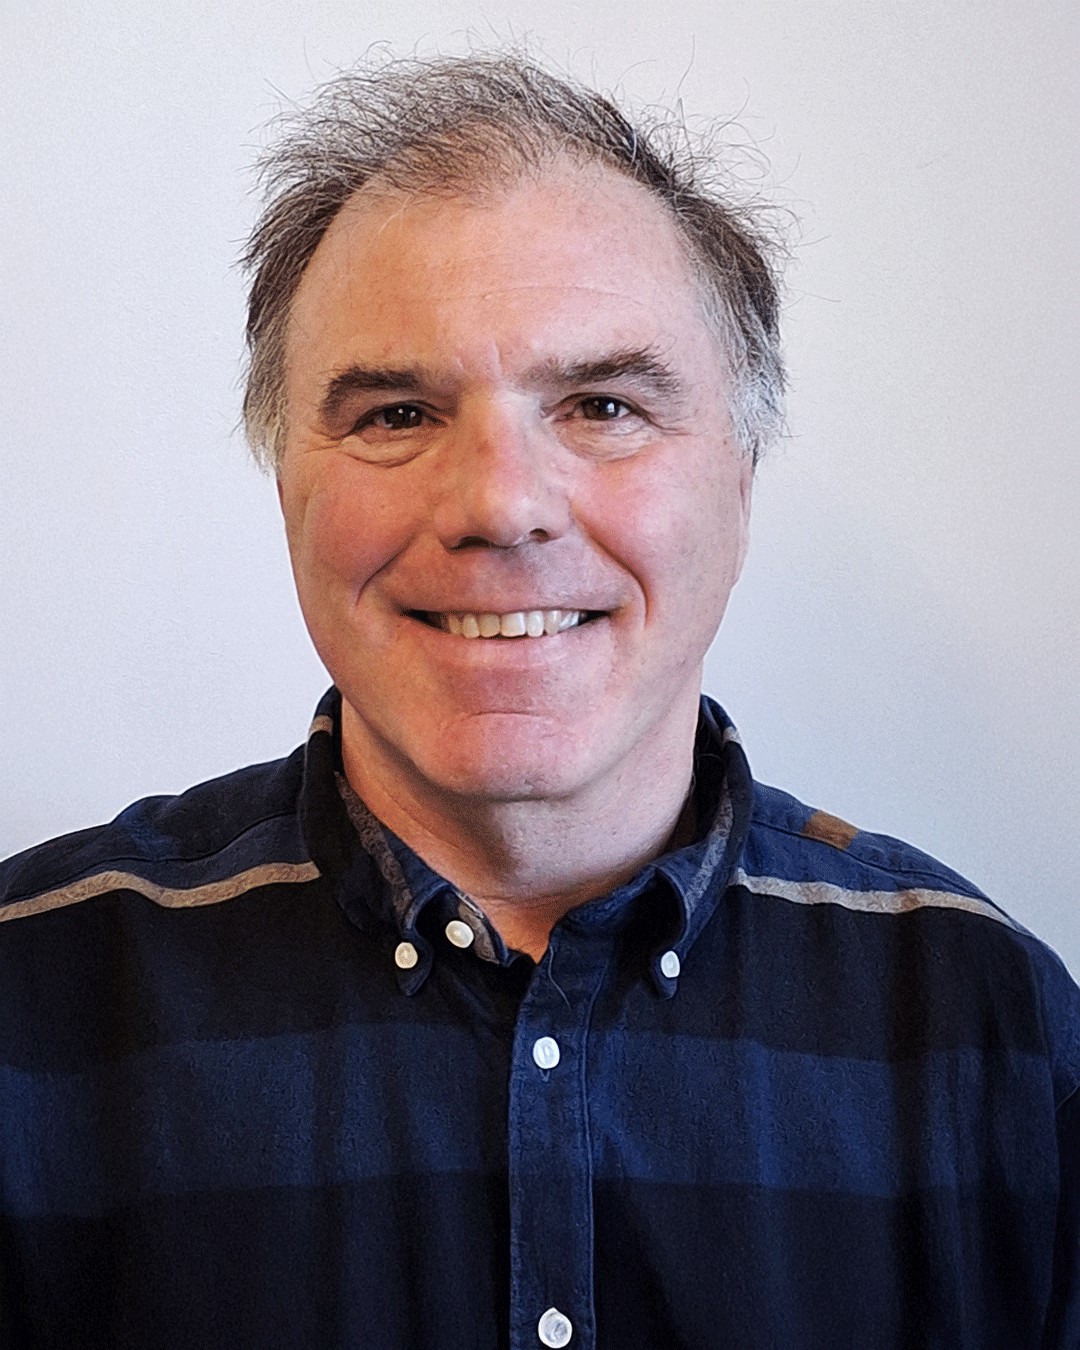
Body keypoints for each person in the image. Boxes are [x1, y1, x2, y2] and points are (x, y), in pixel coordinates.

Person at [0, 52, 1076, 1350]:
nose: (502, 505)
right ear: (288, 491)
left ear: (739, 485)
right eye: (397, 413)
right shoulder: (30, 1000)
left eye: (603, 405)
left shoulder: (995, 1030)